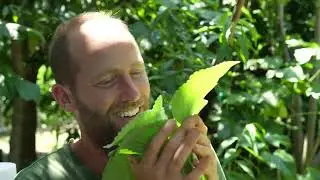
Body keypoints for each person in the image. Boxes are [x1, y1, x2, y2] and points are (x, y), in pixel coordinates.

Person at [14, 11, 218, 180]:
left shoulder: (184, 155)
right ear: (65, 98)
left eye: (136, 73)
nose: (133, 93)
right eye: (107, 81)